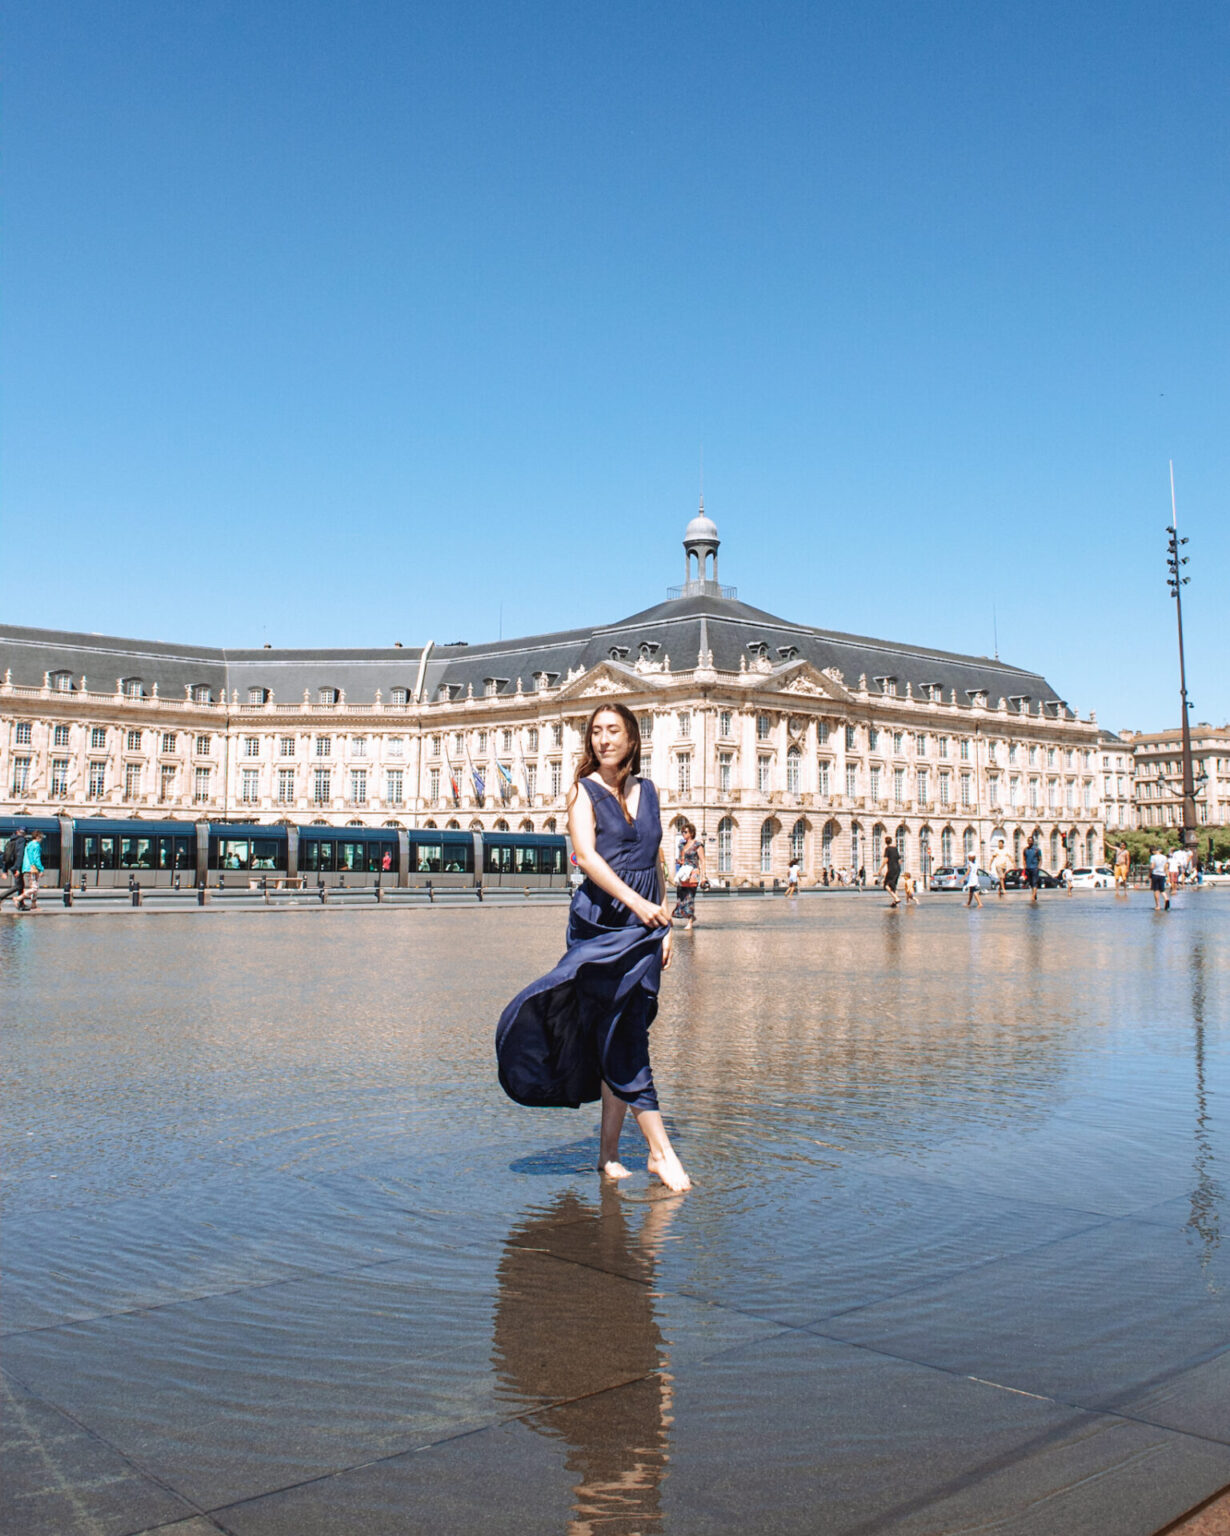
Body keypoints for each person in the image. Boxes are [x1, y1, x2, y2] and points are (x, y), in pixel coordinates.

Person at [496, 703, 690, 1192]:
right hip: (603, 923)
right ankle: (660, 1152)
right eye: (597, 731)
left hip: (645, 926)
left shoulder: (651, 792)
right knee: (625, 1035)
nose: (604, 739)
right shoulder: (582, 791)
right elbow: (585, 856)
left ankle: (607, 1154)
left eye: (613, 730)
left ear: (632, 739)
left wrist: (663, 922)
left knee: (623, 1029)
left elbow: (654, 859)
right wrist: (638, 905)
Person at [672, 821, 706, 930]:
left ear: (691, 833)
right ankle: (691, 916)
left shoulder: (697, 845)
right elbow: (682, 859)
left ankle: (690, 921)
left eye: (685, 832)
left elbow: (703, 861)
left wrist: (703, 877)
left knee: (690, 896)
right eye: (682, 832)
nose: (683, 834)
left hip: (693, 873)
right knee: (681, 895)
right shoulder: (681, 845)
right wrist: (679, 861)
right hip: (684, 872)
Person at [17, 831, 44, 912]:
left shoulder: (29, 844)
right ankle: (19, 898)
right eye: (41, 837)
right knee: (35, 888)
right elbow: (36, 858)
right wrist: (41, 869)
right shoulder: (36, 845)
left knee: (33, 886)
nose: (41, 839)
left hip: (27, 868)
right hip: (33, 868)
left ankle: (33, 905)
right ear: (38, 837)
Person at [1, 826, 28, 906]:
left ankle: (21, 903)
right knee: (19, 885)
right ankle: (1, 896)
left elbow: (5, 855)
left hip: (11, 865)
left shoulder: (11, 840)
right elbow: (20, 855)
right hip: (16, 866)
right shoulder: (21, 840)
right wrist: (18, 869)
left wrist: (5, 870)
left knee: (21, 885)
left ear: (17, 832)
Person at [878, 837, 901, 907]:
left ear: (885, 842)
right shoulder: (895, 849)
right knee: (894, 886)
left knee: (886, 885)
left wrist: (880, 868)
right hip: (898, 869)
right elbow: (900, 861)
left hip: (892, 869)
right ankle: (895, 902)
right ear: (891, 841)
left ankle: (896, 898)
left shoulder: (887, 849)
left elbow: (886, 860)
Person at [1023, 835, 1043, 904]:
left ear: (1033, 842)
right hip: (1028, 868)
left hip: (1034, 868)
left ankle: (1033, 897)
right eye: (1028, 841)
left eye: (1031, 841)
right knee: (1031, 883)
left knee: (1034, 882)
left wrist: (1038, 867)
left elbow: (1040, 859)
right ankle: (1034, 894)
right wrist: (1025, 866)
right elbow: (1024, 858)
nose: (1029, 842)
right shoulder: (1025, 850)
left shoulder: (1037, 850)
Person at [1150, 845, 1169, 911]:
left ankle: (1158, 905)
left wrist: (1150, 873)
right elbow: (1166, 866)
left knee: (1156, 890)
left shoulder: (1153, 857)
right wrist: (1167, 875)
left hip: (1155, 873)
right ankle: (1166, 899)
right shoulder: (1164, 857)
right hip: (1162, 874)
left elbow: (1152, 866)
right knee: (1162, 890)